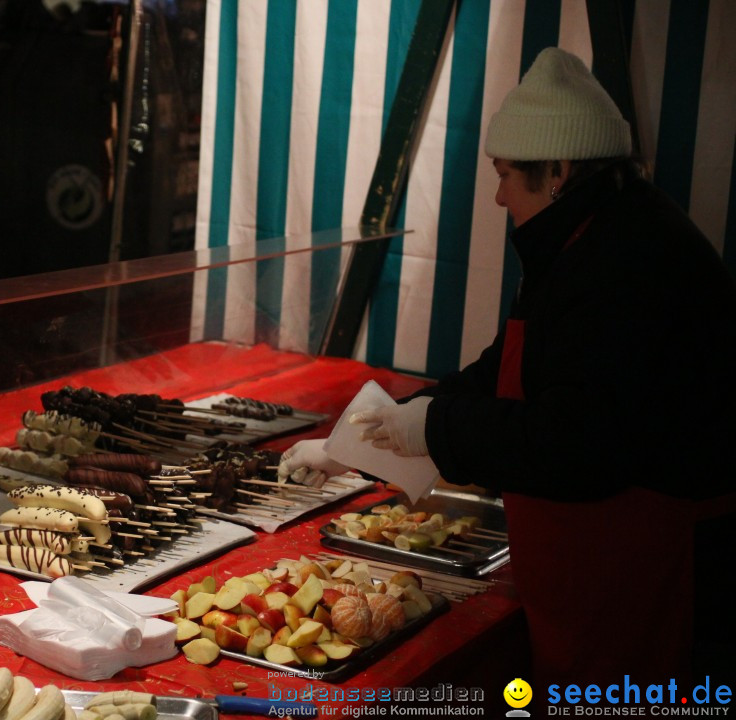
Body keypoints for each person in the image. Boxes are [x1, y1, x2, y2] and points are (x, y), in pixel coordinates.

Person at [281, 48, 736, 688]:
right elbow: (504, 369)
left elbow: (575, 440)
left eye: (503, 175)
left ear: (557, 169)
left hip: (646, 568)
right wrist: (359, 436)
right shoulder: (589, 231)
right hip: (591, 566)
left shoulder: (628, 261)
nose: (496, 196)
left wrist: (434, 429)